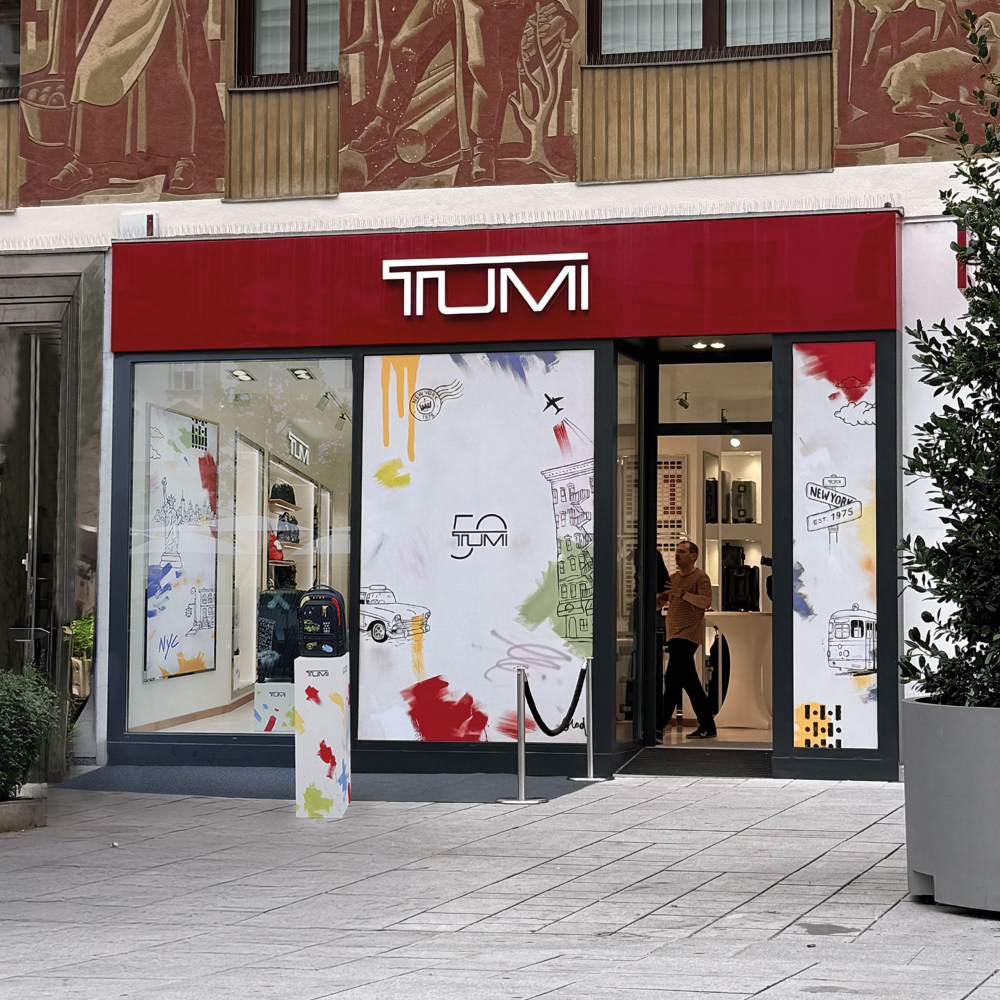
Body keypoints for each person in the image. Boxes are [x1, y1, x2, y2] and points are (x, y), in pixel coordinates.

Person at [658, 540, 716, 739]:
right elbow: (663, 601)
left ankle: (658, 726)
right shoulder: (673, 578)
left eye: (682, 551)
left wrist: (682, 593)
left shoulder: (701, 578)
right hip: (673, 635)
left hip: (688, 636)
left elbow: (705, 602)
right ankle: (707, 725)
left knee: (673, 679)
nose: (677, 555)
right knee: (686, 682)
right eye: (677, 551)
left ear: (693, 556)